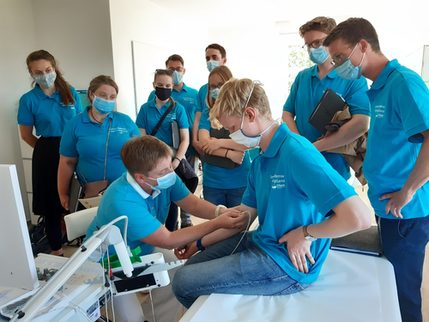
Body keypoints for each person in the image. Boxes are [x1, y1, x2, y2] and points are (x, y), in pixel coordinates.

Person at [172, 78, 372, 308]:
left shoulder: (297, 152)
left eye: (232, 129)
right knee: (190, 269)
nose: (230, 137)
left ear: (250, 114)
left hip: (288, 262)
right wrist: (199, 243)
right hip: (265, 241)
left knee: (182, 282)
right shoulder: (261, 160)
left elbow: (360, 218)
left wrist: (307, 233)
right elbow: (242, 219)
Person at [324, 18, 429, 322]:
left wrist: (407, 192)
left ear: (363, 46)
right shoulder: (379, 88)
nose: (338, 65)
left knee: (403, 292)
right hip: (388, 206)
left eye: (341, 57)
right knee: (389, 286)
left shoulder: (403, 83)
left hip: (405, 211)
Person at [85, 135, 247, 322]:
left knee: (180, 278)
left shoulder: (163, 177)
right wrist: (218, 223)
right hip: (109, 263)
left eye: (170, 165)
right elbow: (168, 239)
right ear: (140, 178)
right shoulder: (122, 200)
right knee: (133, 319)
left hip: (139, 248)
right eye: (164, 171)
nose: (171, 172)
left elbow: (192, 204)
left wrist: (219, 211)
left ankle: (156, 316)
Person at [282, 16, 370, 180]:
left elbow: (361, 123)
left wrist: (313, 148)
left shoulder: (353, 78)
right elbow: (287, 113)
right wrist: (300, 144)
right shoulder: (302, 78)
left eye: (317, 43)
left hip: (333, 168)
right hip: (302, 163)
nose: (312, 49)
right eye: (308, 45)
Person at [18, 50, 82, 256]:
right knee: (51, 207)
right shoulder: (28, 99)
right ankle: (57, 251)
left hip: (75, 149)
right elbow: (26, 135)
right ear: (31, 73)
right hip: (47, 152)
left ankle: (85, 246)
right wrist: (47, 150)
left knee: (79, 200)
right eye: (38, 72)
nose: (44, 75)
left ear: (55, 68)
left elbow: (81, 123)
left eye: (48, 70)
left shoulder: (70, 92)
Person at [58, 75, 140, 211]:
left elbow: (140, 156)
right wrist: (63, 193)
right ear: (91, 94)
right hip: (89, 195)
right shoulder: (74, 124)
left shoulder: (125, 121)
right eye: (103, 95)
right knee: (93, 230)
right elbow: (67, 162)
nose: (108, 100)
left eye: (112, 97)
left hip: (124, 190)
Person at [147, 54, 199, 228]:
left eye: (178, 69)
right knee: (164, 194)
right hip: (158, 156)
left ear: (183, 70)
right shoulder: (149, 103)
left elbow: (196, 121)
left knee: (183, 185)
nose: (175, 72)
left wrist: (178, 158)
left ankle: (186, 219)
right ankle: (166, 227)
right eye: (171, 69)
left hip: (185, 150)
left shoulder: (193, 94)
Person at [136, 69, 190, 231]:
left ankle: (171, 234)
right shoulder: (145, 109)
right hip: (151, 163)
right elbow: (142, 138)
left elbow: (185, 139)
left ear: (172, 86)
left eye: (167, 85)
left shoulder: (178, 109)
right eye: (160, 85)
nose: (164, 88)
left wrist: (176, 161)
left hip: (171, 162)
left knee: (171, 200)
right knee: (153, 198)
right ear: (154, 85)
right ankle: (155, 234)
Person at [199, 66, 250, 207]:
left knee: (239, 225)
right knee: (216, 225)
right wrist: (229, 154)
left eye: (220, 85)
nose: (216, 89)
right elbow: (204, 143)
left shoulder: (242, 110)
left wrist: (218, 142)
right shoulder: (206, 113)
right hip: (213, 182)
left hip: (239, 180)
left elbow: (247, 142)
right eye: (212, 86)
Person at [192, 43, 227, 157]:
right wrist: (195, 140)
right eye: (207, 58)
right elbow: (198, 116)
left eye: (214, 57)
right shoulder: (203, 90)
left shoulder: (235, 88)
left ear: (224, 60)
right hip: (206, 141)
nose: (210, 61)